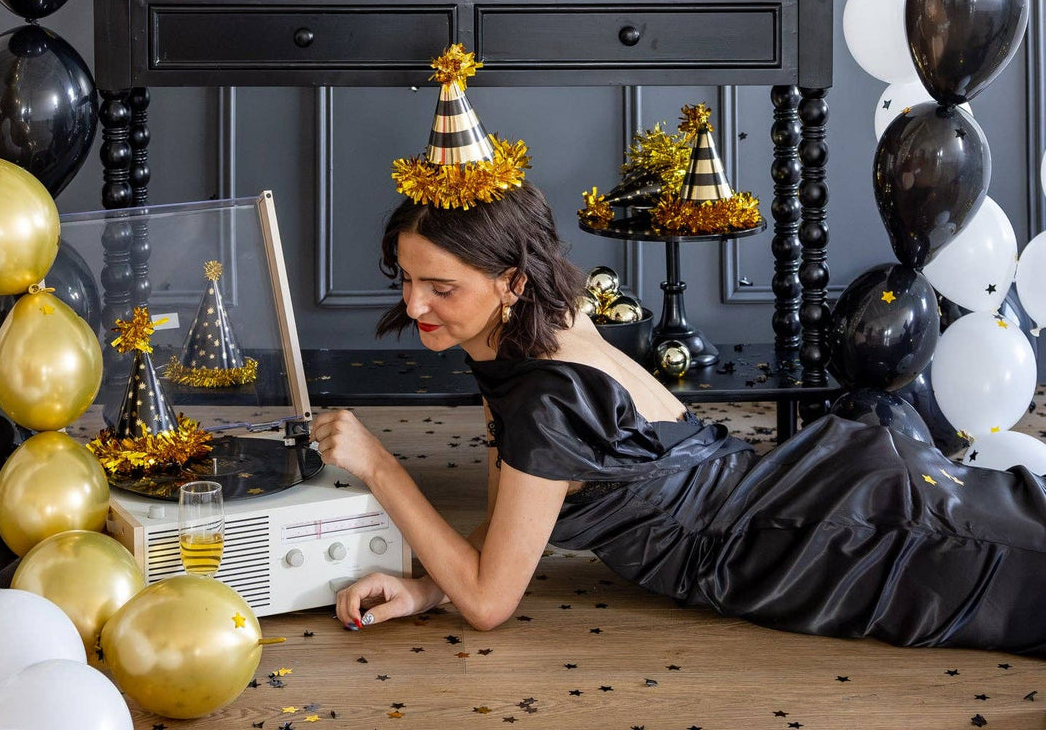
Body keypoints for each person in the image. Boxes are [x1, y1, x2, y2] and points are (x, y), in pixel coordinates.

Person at [310, 46, 1046, 655]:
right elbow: (517, 518)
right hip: (806, 497)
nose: (413, 306)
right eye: (405, 280)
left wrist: (380, 466)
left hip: (831, 540)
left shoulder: (544, 396)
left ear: (510, 280)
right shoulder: (548, 328)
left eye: (439, 286)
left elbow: (489, 602)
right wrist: (424, 586)